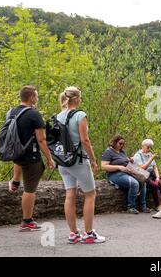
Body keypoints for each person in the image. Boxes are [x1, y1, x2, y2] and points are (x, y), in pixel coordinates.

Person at [57, 86, 105, 244]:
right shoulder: (80, 115)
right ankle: (89, 234)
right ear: (76, 99)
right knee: (90, 195)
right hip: (78, 160)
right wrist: (92, 159)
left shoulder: (59, 116)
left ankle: (73, 234)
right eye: (80, 97)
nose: (81, 100)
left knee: (70, 195)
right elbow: (85, 140)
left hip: (63, 161)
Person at [9, 86, 55, 231]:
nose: (37, 98)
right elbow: (41, 140)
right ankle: (27, 221)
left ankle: (15, 181)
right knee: (30, 190)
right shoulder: (34, 115)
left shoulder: (12, 112)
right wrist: (49, 158)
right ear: (31, 98)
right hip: (31, 156)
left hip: (16, 153)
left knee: (20, 165)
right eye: (36, 96)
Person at [133, 139, 161, 212]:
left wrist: (157, 177)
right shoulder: (138, 155)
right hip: (143, 175)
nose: (149, 149)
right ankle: (157, 205)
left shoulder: (150, 154)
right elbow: (143, 168)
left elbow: (154, 167)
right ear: (143, 146)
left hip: (152, 174)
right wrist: (151, 159)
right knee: (154, 185)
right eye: (148, 147)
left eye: (150, 147)